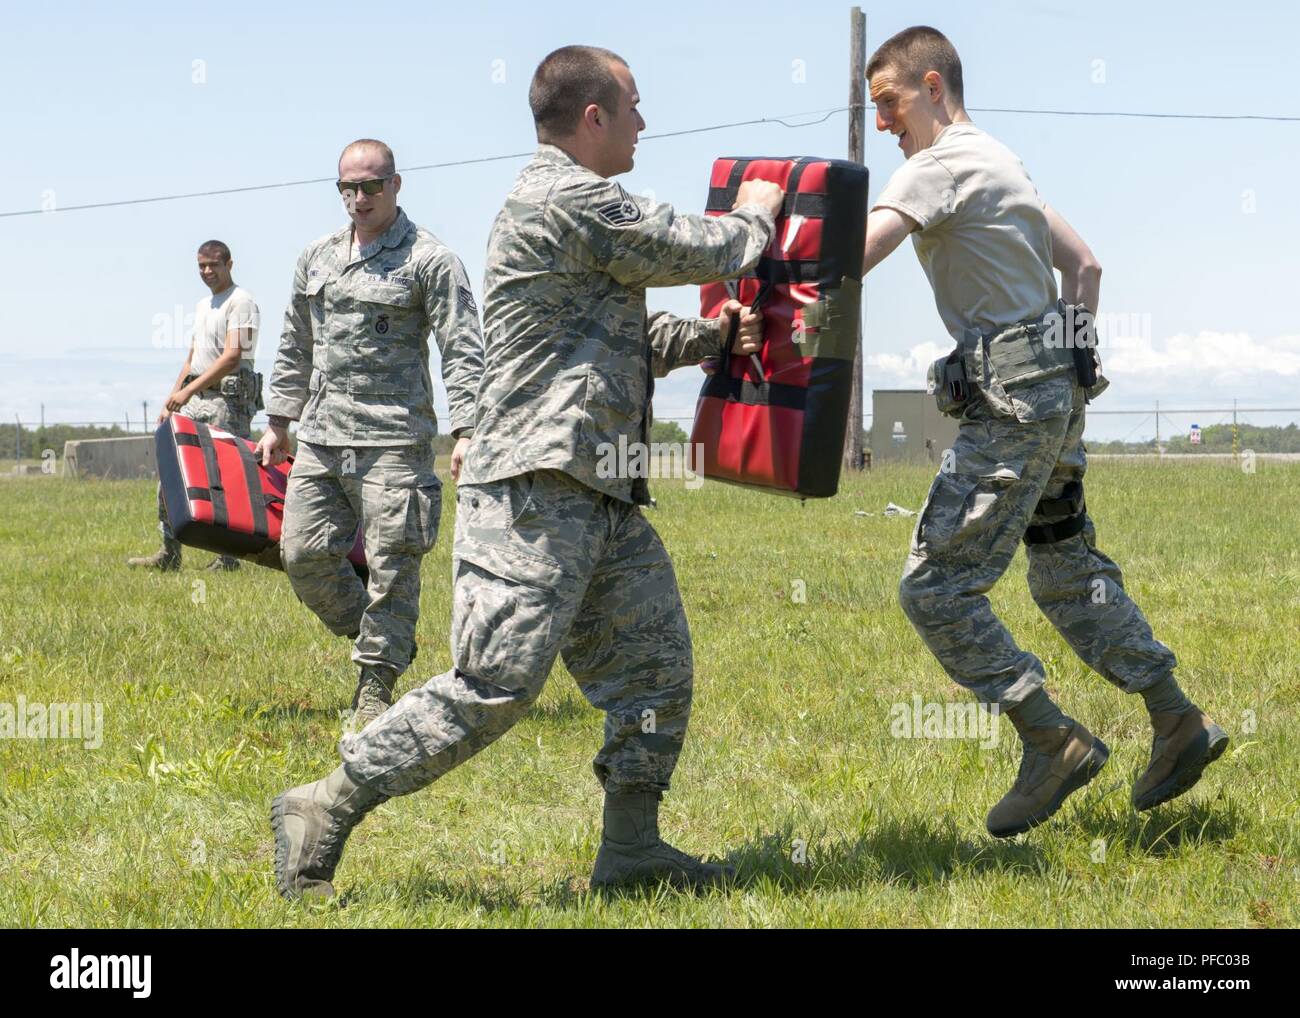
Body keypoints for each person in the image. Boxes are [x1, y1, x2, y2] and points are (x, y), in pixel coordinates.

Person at [270, 45, 784, 898]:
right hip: (535, 490)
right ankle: (324, 803)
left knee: (655, 673)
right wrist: (758, 219)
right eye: (634, 107)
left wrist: (709, 340)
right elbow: (693, 244)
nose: (644, 124)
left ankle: (631, 850)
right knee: (495, 685)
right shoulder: (563, 193)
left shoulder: (573, 210)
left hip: (600, 492)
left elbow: (618, 340)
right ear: (593, 117)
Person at [861, 26, 1228, 837]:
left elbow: (858, 253)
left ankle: (1049, 738)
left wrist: (772, 260)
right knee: (1065, 572)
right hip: (1054, 394)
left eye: (887, 101)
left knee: (935, 588)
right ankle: (1177, 721)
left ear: (930, 85)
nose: (881, 122)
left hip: (1010, 404)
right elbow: (1086, 266)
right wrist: (1068, 361)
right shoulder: (1005, 162)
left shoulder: (937, 164)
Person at [255, 139, 484, 732]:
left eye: (371, 187)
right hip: (323, 438)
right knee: (301, 554)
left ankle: (376, 684)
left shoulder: (429, 259)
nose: (359, 198)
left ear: (396, 185)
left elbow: (461, 347)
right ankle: (379, 636)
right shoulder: (317, 257)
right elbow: (294, 342)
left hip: (393, 444)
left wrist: (467, 430)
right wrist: (278, 421)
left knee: (393, 566)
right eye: (348, 188)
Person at [128, 240, 260, 572]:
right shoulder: (205, 305)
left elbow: (232, 357)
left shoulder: (241, 302)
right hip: (196, 398)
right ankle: (169, 553)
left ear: (230, 264)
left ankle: (230, 559)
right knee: (173, 472)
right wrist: (174, 399)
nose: (206, 271)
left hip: (227, 402)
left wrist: (188, 393)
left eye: (213, 265)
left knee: (226, 480)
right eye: (201, 265)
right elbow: (192, 356)